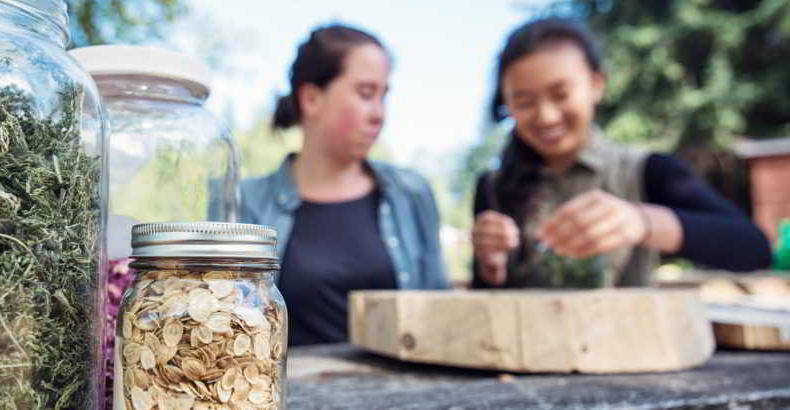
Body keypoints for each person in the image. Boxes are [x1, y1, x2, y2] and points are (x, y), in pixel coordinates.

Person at [471, 18, 772, 288]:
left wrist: (642, 222)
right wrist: (489, 266)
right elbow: (487, 289)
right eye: (524, 102)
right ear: (507, 104)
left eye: (561, 94)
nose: (546, 116)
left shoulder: (648, 170)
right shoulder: (493, 187)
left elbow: (754, 248)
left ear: (597, 85)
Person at [240, 24, 447, 346]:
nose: (379, 114)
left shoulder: (412, 193)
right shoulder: (245, 203)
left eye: (384, 96)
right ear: (311, 99)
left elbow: (440, 312)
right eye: (366, 94)